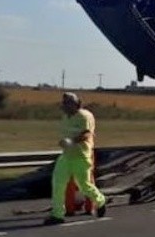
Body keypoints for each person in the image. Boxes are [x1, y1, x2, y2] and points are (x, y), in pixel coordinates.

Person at [43, 92, 107, 225]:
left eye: (68, 102)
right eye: (64, 102)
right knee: (58, 184)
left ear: (76, 103)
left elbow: (87, 134)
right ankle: (57, 214)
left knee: (84, 186)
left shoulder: (84, 116)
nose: (65, 105)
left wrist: (71, 141)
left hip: (81, 156)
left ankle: (100, 200)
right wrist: (64, 142)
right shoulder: (65, 117)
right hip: (66, 156)